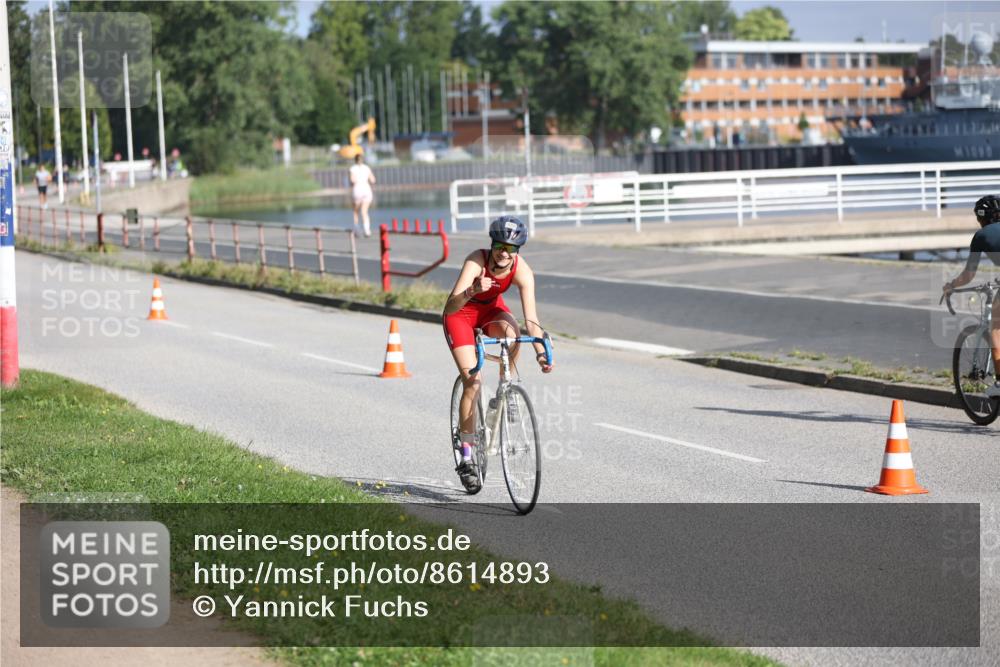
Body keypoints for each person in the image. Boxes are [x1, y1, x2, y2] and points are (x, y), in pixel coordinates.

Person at [442, 215, 553, 493]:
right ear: (491, 244)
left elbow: (532, 320)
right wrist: (472, 289)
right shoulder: (476, 261)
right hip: (460, 315)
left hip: (490, 312)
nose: (504, 253)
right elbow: (452, 304)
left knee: (513, 334)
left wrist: (541, 352)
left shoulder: (522, 271)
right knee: (473, 382)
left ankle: (505, 385)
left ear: (518, 251)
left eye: (511, 249)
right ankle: (467, 457)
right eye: (500, 246)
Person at [943, 194, 1000, 397]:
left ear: (982, 217)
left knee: (996, 330)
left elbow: (968, 275)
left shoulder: (982, 235)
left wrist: (951, 286)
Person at [349, 153, 375, 237]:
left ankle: (356, 230)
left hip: (357, 189)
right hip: (366, 189)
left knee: (356, 212)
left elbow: (352, 180)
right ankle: (367, 230)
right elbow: (373, 180)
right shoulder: (367, 168)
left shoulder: (352, 168)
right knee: (364, 211)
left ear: (355, 160)